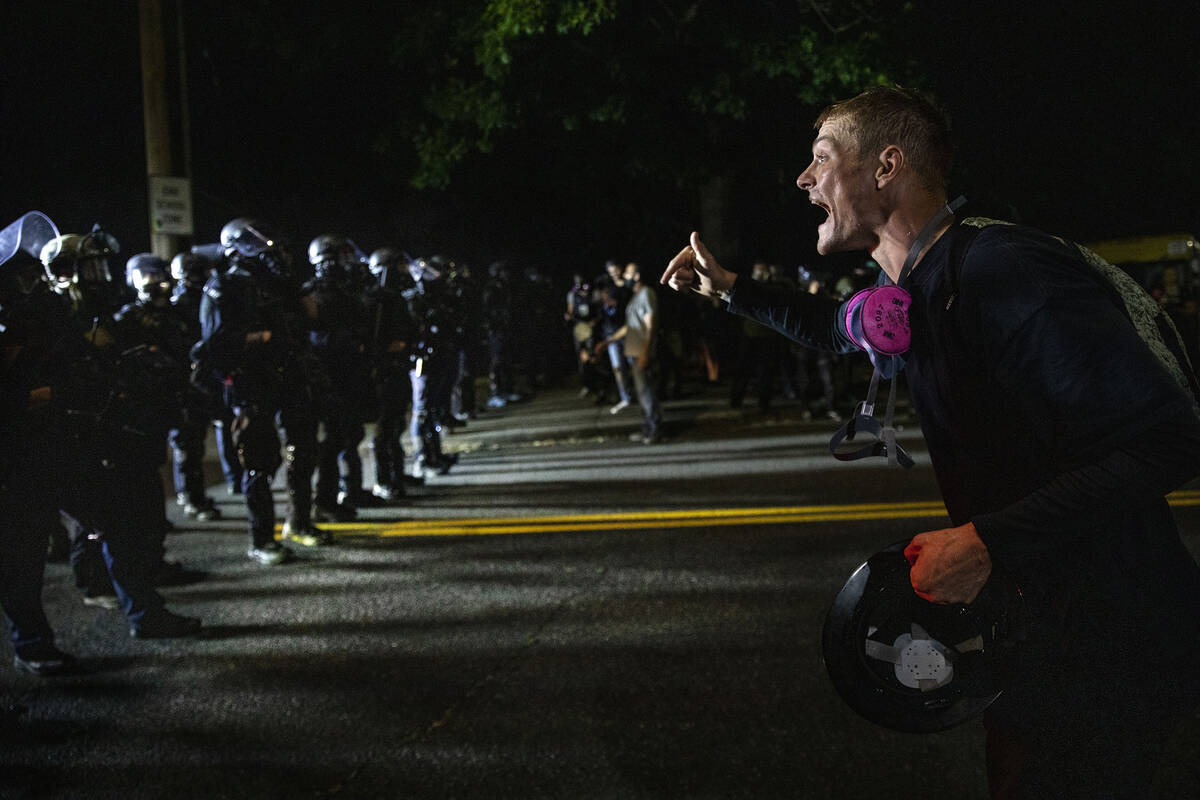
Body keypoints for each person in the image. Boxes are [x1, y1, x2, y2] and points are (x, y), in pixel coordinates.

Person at [661, 85, 1200, 798]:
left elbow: (1166, 440)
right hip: (1037, 625)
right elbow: (834, 325)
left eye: (821, 158)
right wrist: (730, 290)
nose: (802, 179)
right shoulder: (913, 292)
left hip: (1110, 642)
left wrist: (987, 541)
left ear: (886, 167)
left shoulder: (1003, 271)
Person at [197, 217, 332, 565]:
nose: (273, 252)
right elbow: (216, 345)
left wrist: (301, 296)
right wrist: (261, 338)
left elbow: (313, 324)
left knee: (303, 452)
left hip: (290, 379)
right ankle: (261, 539)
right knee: (259, 464)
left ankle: (299, 522)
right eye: (262, 244)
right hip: (252, 385)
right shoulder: (225, 287)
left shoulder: (283, 286)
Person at [597, 262, 662, 444]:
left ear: (637, 276)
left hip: (642, 352)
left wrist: (645, 352)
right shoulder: (635, 297)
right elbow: (629, 327)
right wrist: (608, 342)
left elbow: (651, 325)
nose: (624, 275)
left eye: (628, 272)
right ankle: (647, 429)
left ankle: (654, 431)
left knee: (647, 393)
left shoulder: (647, 294)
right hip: (634, 352)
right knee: (642, 393)